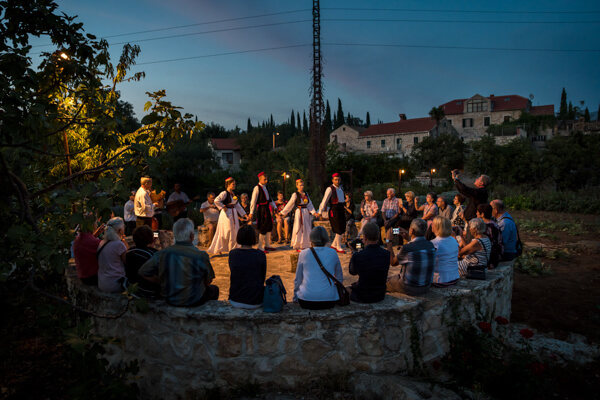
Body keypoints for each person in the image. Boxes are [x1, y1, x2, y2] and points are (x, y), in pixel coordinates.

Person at [139, 218, 219, 306]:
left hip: (169, 298)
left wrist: (160, 281)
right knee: (214, 289)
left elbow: (143, 272)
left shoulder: (161, 253)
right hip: (192, 300)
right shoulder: (200, 255)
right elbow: (209, 280)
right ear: (192, 236)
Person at [293, 226, 344, 310]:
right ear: (326, 238)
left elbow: (298, 279)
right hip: (329, 300)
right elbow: (339, 278)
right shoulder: (333, 253)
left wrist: (295, 297)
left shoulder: (304, 253)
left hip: (306, 300)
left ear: (311, 238)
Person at [386, 219, 436, 296]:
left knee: (381, 281)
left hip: (409, 287)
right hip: (426, 286)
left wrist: (388, 241)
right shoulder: (430, 245)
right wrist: (409, 239)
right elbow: (418, 246)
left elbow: (392, 262)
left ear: (411, 231)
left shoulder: (407, 248)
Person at [347, 222, 390, 303]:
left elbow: (352, 271)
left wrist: (353, 253)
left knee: (344, 290)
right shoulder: (386, 254)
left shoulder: (359, 256)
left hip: (363, 296)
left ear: (365, 237)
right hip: (380, 295)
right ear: (378, 236)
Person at [228, 224, 267, 309]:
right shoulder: (260, 255)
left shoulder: (233, 254)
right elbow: (262, 277)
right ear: (253, 238)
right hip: (256, 300)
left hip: (235, 299)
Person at [207, 177, 248, 254]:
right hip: (227, 214)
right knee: (226, 232)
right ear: (228, 184)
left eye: (235, 184)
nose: (234, 185)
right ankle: (221, 248)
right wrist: (223, 207)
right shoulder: (224, 193)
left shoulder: (232, 194)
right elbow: (216, 200)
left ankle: (232, 249)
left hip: (233, 213)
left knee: (234, 231)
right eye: (233, 184)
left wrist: (244, 214)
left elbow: (237, 204)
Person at [280, 179, 320, 252]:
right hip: (299, 212)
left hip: (306, 213)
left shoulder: (306, 194)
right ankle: (299, 245)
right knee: (299, 228)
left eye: (303, 185)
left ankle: (306, 244)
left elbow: (309, 204)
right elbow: (290, 204)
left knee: (306, 228)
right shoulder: (295, 194)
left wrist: (314, 212)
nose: (302, 187)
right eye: (300, 185)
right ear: (297, 186)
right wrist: (282, 212)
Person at [248, 172, 278, 253]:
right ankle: (260, 247)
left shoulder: (265, 187)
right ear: (260, 179)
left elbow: (270, 199)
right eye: (264, 179)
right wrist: (251, 212)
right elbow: (253, 201)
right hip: (261, 210)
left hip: (267, 208)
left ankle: (267, 244)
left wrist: (275, 207)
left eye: (266, 179)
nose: (266, 180)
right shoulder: (257, 188)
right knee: (263, 227)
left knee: (269, 226)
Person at [97, 217, 129, 292]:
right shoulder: (118, 244)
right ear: (119, 230)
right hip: (115, 284)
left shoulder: (102, 243)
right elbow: (127, 261)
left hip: (102, 282)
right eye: (123, 227)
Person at [72, 214, 105, 286]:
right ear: (92, 225)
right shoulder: (91, 241)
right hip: (91, 277)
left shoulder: (80, 237)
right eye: (96, 223)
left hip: (83, 275)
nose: (96, 225)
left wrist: (96, 233)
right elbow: (107, 246)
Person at [318, 173, 347, 253]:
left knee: (341, 227)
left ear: (340, 180)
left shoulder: (341, 188)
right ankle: (338, 246)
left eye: (338, 179)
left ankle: (334, 244)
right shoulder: (330, 189)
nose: (337, 181)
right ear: (332, 180)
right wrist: (320, 212)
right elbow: (324, 200)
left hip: (341, 210)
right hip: (334, 210)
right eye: (335, 179)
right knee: (338, 228)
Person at [430, 216, 460, 287]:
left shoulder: (434, 243)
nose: (431, 225)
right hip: (454, 278)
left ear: (437, 227)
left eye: (432, 224)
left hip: (440, 280)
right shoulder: (453, 240)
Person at [476, 204, 504, 268]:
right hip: (497, 255)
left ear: (482, 214)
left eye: (477, 212)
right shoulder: (493, 224)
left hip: (492, 258)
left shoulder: (487, 227)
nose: (476, 213)